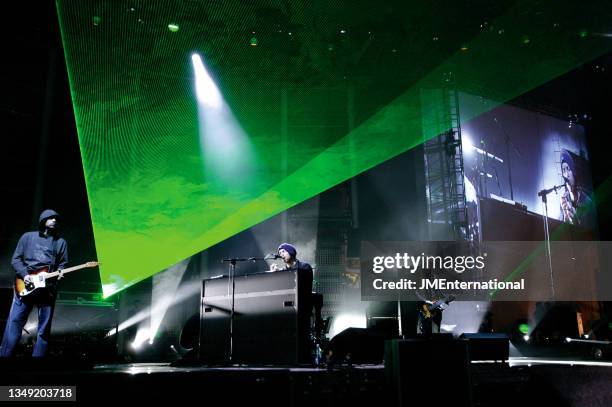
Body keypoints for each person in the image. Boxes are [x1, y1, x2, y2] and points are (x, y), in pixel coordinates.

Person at [0, 209, 68, 358]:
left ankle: (38, 362)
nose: (55, 220)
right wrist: (25, 275)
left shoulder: (60, 242)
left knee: (44, 328)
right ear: (42, 219)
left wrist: (60, 273)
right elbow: (16, 260)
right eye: (51, 217)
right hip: (24, 285)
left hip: (47, 289)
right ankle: (4, 358)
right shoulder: (27, 237)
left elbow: (62, 264)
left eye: (57, 218)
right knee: (15, 321)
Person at [270, 243, 322, 362]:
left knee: (303, 337)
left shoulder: (305, 267)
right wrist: (276, 275)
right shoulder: (284, 271)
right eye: (279, 253)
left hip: (302, 308)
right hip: (288, 309)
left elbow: (303, 284)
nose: (281, 255)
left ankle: (305, 361)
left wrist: (283, 274)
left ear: (291, 252)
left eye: (283, 251)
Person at [559, 149, 594, 227]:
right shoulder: (564, 199)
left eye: (568, 169)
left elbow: (590, 230)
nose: (566, 174)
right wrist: (565, 218)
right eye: (563, 170)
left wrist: (576, 220)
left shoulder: (587, 201)